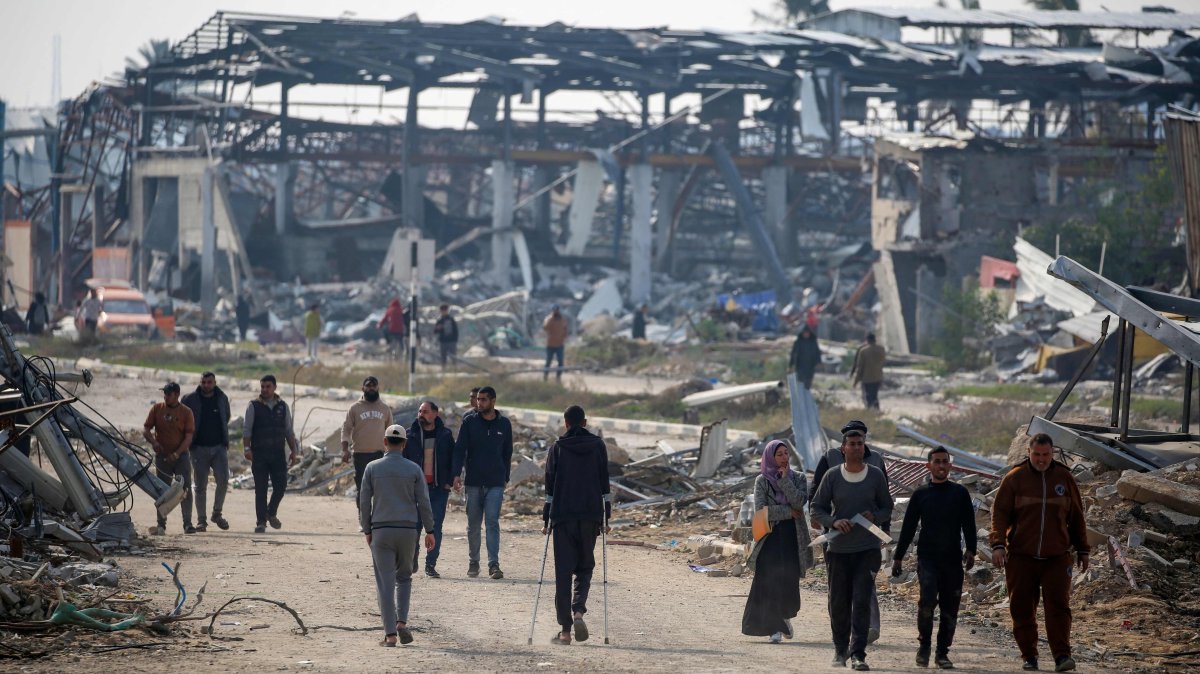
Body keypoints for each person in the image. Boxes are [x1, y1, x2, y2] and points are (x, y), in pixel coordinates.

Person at [990, 433, 1089, 673]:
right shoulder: (1015, 478)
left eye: (1046, 455)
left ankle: (1062, 656)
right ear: (1028, 452)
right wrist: (998, 545)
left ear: (1052, 453)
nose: (1042, 459)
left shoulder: (1064, 478)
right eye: (1037, 454)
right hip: (1021, 556)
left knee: (1058, 607)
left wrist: (1083, 549)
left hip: (1057, 556)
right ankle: (1029, 655)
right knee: (1022, 607)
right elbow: (1000, 514)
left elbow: (1076, 516)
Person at [810, 424, 893, 672]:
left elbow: (887, 507)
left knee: (861, 600)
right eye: (852, 444)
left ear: (864, 447)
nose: (857, 448)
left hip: (867, 548)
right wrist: (833, 522)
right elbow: (817, 508)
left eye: (861, 444)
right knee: (839, 602)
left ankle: (858, 654)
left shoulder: (876, 475)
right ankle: (839, 650)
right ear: (843, 448)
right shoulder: (832, 475)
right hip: (838, 550)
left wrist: (875, 516)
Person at [891, 446, 977, 669]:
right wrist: (898, 557)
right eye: (936, 461)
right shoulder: (921, 494)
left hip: (951, 559)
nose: (941, 466)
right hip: (927, 558)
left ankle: (942, 653)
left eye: (944, 462)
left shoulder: (959, 493)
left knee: (950, 607)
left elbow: (969, 524)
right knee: (927, 601)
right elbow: (909, 527)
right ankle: (924, 646)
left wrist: (971, 550)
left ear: (950, 465)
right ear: (928, 465)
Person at [360, 425, 436, 647]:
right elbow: (424, 502)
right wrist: (430, 530)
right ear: (404, 443)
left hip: (381, 530)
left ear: (385, 442)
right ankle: (401, 622)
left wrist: (367, 529)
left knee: (385, 583)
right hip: (407, 531)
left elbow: (364, 502)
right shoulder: (414, 470)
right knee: (404, 578)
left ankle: (390, 634)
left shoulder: (372, 468)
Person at [542, 405, 611, 645]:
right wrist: (606, 518)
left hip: (562, 516)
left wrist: (546, 518)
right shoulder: (598, 446)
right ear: (584, 422)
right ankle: (579, 611)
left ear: (566, 423)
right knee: (585, 567)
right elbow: (605, 484)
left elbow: (549, 486)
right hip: (591, 516)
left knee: (563, 573)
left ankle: (565, 631)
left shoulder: (558, 448)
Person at [742, 440, 811, 644]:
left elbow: (800, 502)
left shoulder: (797, 478)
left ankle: (784, 618)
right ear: (770, 457)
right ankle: (774, 628)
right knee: (768, 582)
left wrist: (784, 481)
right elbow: (762, 511)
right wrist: (789, 512)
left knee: (788, 580)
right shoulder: (761, 481)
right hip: (770, 538)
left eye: (785, 453)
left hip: (792, 538)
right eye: (779, 454)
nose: (783, 458)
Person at [451, 385, 513, 580]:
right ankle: (474, 561)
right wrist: (456, 474)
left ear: (493, 401)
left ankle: (494, 564)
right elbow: (460, 449)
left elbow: (507, 453)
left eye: (484, 399)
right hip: (474, 481)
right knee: (473, 524)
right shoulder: (469, 422)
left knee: (492, 522)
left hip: (495, 481)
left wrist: (506, 477)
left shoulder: (504, 424)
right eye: (478, 399)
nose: (479, 403)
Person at [243, 374, 299, 534]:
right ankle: (261, 522)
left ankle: (271, 512)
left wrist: (293, 451)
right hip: (259, 453)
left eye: (268, 387)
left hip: (278, 453)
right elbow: (247, 429)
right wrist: (247, 449)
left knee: (280, 486)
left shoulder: (282, 406)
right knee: (260, 489)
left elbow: (288, 430)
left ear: (274, 387)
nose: (265, 390)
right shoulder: (253, 405)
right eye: (262, 387)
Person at [405, 400, 454, 578]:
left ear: (435, 414)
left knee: (435, 527)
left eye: (425, 411)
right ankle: (413, 556)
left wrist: (449, 480)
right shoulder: (410, 436)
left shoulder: (445, 435)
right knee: (414, 526)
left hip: (438, 490)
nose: (421, 414)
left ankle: (430, 564)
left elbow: (452, 459)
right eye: (419, 411)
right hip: (415, 490)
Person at [143, 382, 196, 535]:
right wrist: (154, 442)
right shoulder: (157, 409)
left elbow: (188, 437)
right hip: (162, 456)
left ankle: (187, 523)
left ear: (177, 395)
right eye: (165, 394)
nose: (166, 397)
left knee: (185, 489)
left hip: (181, 457)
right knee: (162, 490)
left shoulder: (186, 412)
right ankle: (161, 525)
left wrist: (177, 453)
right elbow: (146, 429)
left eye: (169, 394)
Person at [181, 372, 232, 532]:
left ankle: (217, 513)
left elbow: (226, 417)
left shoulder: (222, 398)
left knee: (223, 480)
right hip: (198, 448)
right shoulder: (190, 399)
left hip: (219, 447)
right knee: (200, 485)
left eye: (209, 382)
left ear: (215, 382)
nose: (206, 385)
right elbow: (183, 419)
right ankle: (201, 521)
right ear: (200, 382)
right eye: (204, 382)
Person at [341, 376, 394, 502]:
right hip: (360, 455)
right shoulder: (355, 408)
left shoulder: (385, 409)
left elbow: (391, 431)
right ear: (363, 388)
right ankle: (364, 518)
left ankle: (377, 519)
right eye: (368, 386)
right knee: (363, 489)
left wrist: (393, 452)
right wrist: (345, 449)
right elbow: (346, 429)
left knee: (379, 489)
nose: (371, 388)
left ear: (378, 388)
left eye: (374, 386)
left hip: (380, 455)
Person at [850, 333, 886, 410]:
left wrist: (855, 381)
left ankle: (870, 411)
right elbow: (883, 362)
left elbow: (860, 367)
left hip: (867, 378)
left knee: (868, 396)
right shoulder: (881, 349)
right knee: (875, 395)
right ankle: (876, 410)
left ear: (867, 340)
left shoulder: (863, 351)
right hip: (878, 376)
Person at [789, 325, 821, 389]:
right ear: (802, 333)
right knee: (800, 382)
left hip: (810, 366)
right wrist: (790, 365)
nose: (806, 334)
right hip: (800, 366)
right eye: (805, 333)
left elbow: (817, 352)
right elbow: (793, 354)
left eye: (807, 333)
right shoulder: (798, 342)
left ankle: (806, 395)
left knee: (808, 383)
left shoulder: (813, 342)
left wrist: (818, 362)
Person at [542, 306, 569, 382]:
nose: (556, 312)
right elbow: (545, 327)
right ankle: (545, 377)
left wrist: (564, 337)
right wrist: (551, 319)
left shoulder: (562, 320)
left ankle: (558, 377)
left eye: (557, 310)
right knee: (548, 361)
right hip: (550, 344)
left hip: (559, 344)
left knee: (560, 361)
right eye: (554, 310)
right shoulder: (549, 319)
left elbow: (565, 329)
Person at [434, 304, 459, 370]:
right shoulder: (439, 320)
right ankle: (444, 369)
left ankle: (454, 369)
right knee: (443, 357)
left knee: (453, 357)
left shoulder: (451, 319)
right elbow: (435, 331)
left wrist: (455, 340)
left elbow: (455, 330)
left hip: (451, 341)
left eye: (445, 310)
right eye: (443, 310)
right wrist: (438, 328)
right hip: (443, 341)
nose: (444, 312)